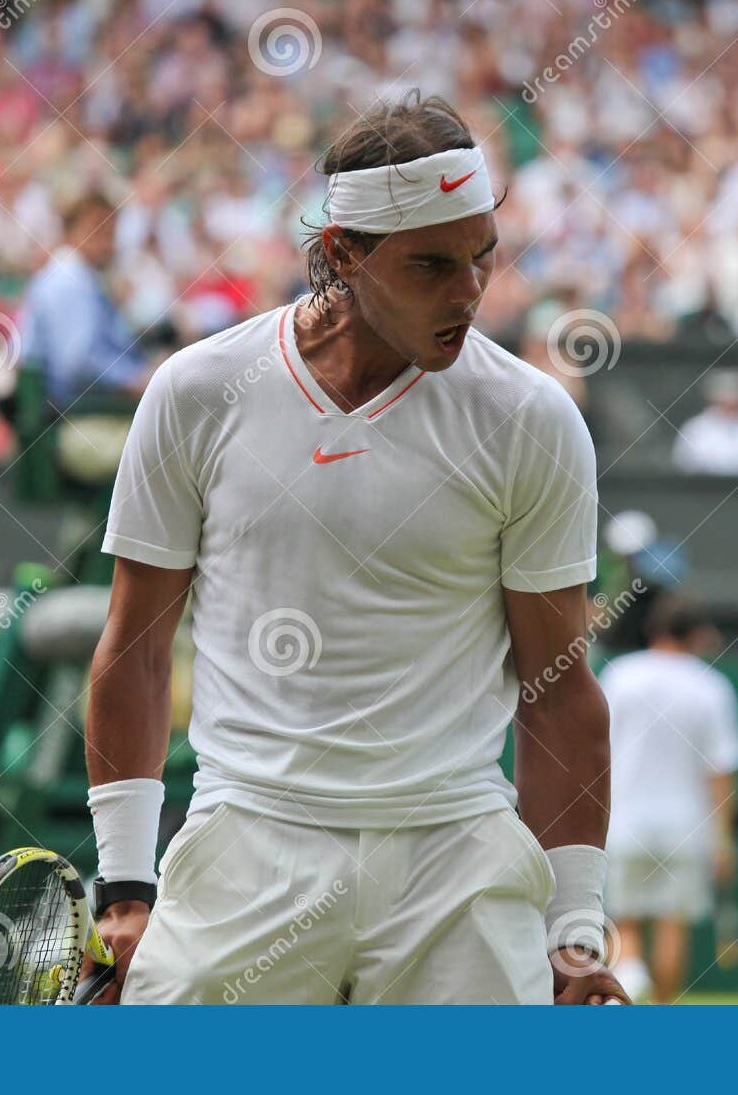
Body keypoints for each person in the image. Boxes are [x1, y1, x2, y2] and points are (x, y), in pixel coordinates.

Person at [84, 92, 626, 1005]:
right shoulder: (196, 392)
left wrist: (574, 925)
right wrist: (127, 887)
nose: (469, 290)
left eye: (483, 256)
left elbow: (560, 687)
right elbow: (134, 651)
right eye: (431, 265)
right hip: (246, 842)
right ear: (344, 254)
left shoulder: (534, 420)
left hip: (458, 851)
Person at [602, 599, 738, 1004]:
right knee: (673, 925)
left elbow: (596, 750)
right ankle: (659, 1008)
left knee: (623, 923)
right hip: (687, 828)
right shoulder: (713, 687)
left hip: (624, 823)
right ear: (696, 634)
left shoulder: (619, 676)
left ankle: (630, 977)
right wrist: (724, 841)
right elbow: (721, 771)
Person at [19, 193, 154, 406]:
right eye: (98, 232)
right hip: (74, 415)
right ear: (70, 233)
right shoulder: (68, 281)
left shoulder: (84, 278)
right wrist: (135, 380)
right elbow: (77, 366)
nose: (107, 244)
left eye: (111, 234)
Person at [671, 370, 738, 476]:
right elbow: (683, 464)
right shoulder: (694, 427)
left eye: (736, 398)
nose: (731, 403)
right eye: (725, 400)